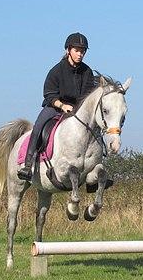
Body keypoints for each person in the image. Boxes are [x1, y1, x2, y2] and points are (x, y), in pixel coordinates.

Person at [17, 32, 97, 181]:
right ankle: (27, 165)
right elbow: (49, 94)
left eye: (83, 51)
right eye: (77, 50)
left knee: (94, 129)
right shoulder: (56, 71)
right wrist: (62, 105)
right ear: (68, 50)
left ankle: (94, 166)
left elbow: (89, 96)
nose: (80, 54)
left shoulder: (87, 72)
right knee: (38, 127)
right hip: (55, 107)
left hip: (77, 110)